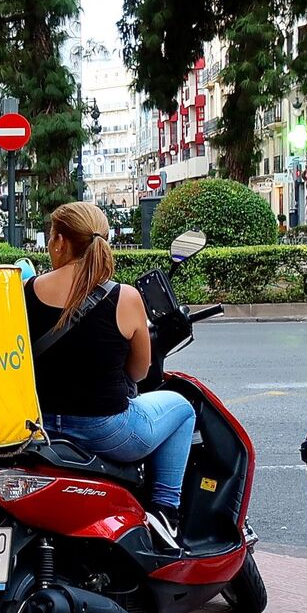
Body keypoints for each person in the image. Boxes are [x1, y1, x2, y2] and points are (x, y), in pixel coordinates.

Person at [26, 202, 191, 549]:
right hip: (106, 432)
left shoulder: (26, 291)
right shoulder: (124, 296)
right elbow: (139, 372)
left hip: (38, 429)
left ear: (59, 241)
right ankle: (165, 511)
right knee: (183, 409)